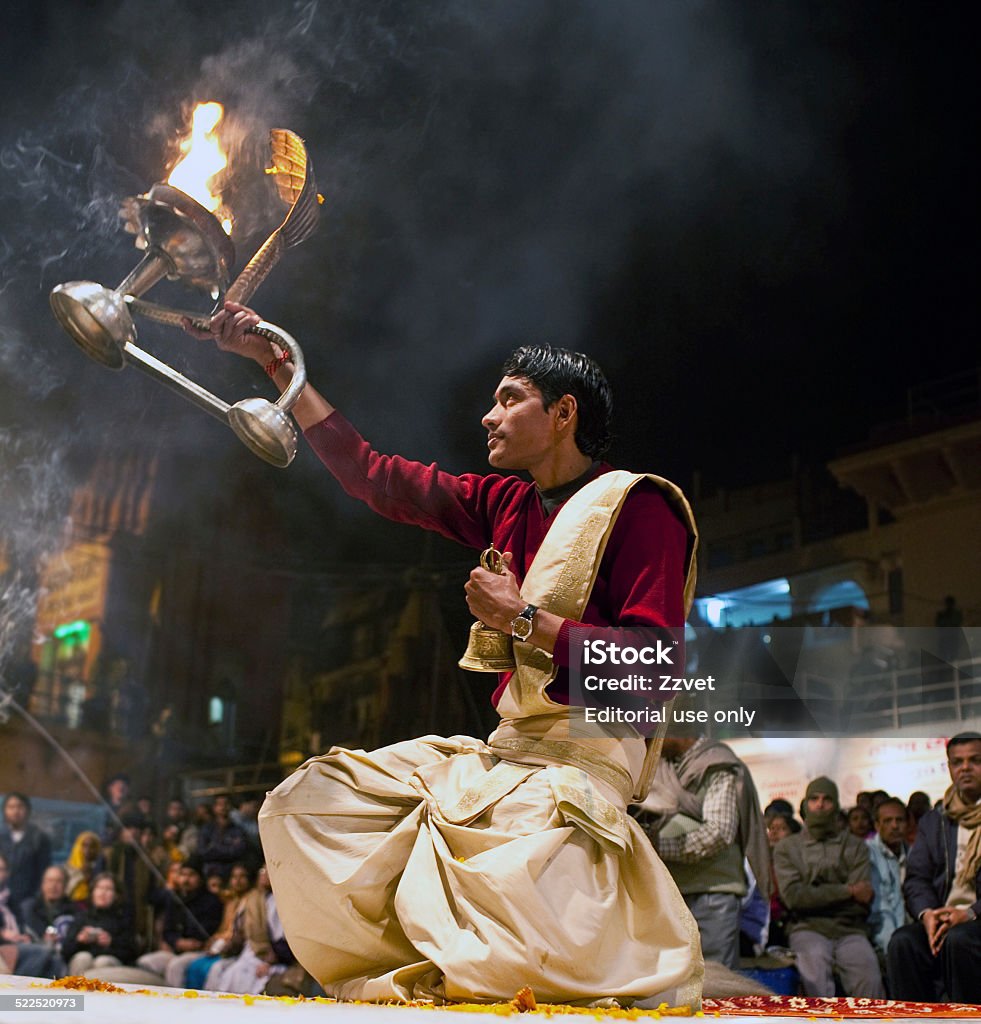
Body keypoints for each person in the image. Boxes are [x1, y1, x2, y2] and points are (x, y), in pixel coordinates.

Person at [188, 303, 701, 1006]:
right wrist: (276, 363)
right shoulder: (504, 502)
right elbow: (375, 477)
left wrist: (524, 620)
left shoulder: (640, 508)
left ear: (562, 414)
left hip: (582, 766)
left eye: (508, 398)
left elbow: (652, 671)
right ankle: (410, 978)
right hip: (504, 755)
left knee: (500, 908)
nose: (487, 417)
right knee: (303, 807)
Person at [633, 734, 770, 969]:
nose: (648, 744)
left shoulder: (717, 763)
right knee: (671, 978)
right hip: (670, 892)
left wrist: (657, 847)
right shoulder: (662, 765)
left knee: (716, 979)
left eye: (653, 736)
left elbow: (718, 833)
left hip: (712, 894)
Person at [886, 732, 981, 1002]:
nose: (965, 768)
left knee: (960, 940)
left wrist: (971, 912)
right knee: (903, 942)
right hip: (946, 919)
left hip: (973, 920)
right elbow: (916, 879)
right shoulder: (935, 821)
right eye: (957, 762)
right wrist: (928, 914)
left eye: (975, 760)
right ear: (949, 767)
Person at [772, 777, 885, 998]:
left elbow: (863, 900)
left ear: (836, 804)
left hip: (849, 928)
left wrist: (816, 895)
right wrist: (848, 891)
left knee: (869, 980)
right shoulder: (788, 848)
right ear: (806, 804)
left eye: (827, 799)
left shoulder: (855, 846)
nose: (820, 804)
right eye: (814, 799)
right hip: (806, 928)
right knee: (815, 982)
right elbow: (794, 898)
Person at [136, 857, 224, 983]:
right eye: (183, 874)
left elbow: (210, 931)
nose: (186, 879)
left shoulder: (211, 901)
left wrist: (192, 943)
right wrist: (177, 942)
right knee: (145, 963)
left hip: (201, 952)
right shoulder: (175, 899)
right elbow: (168, 931)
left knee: (176, 967)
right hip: (177, 951)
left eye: (191, 875)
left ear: (200, 878)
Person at [60, 873, 138, 976]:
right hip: (83, 961)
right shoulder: (82, 917)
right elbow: (65, 951)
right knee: (82, 958)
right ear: (93, 892)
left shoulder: (123, 920)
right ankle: (75, 990)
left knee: (102, 962)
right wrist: (80, 940)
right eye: (99, 888)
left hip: (112, 964)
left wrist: (111, 942)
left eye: (108, 889)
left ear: (116, 895)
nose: (103, 893)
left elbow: (133, 953)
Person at [866, 797, 910, 966]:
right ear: (877, 825)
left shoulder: (914, 853)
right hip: (882, 933)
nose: (894, 826)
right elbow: (878, 908)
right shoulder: (867, 853)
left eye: (900, 820)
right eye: (888, 821)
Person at [0, 793, 52, 927]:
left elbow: (43, 872)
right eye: (11, 807)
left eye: (20, 807)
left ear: (28, 810)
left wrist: (34, 898)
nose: (15, 811)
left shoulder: (39, 838)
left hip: (27, 900)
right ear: (4, 811)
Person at [20, 865, 77, 946]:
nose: (53, 886)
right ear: (42, 884)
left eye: (59, 881)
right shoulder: (28, 908)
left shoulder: (74, 910)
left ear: (65, 885)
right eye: (50, 880)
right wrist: (43, 936)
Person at [197, 794, 248, 883]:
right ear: (214, 807)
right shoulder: (207, 829)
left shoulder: (238, 830)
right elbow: (202, 852)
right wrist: (228, 848)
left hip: (230, 874)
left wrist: (214, 848)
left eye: (226, 804)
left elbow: (239, 851)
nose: (223, 807)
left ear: (230, 806)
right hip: (210, 873)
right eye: (219, 804)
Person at [63, 831, 106, 903]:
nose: (87, 850)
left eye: (92, 846)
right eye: (84, 845)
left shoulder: (102, 866)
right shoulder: (67, 868)